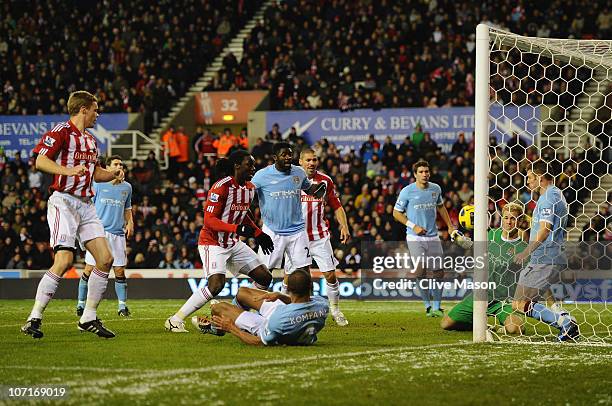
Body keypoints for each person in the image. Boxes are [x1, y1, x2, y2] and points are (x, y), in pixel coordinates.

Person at [21, 91, 123, 339]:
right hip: (63, 202)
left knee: (106, 260)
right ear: (83, 109)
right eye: (95, 110)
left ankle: (88, 317)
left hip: (87, 205)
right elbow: (41, 161)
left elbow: (94, 172)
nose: (98, 115)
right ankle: (34, 318)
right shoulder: (61, 131)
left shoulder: (91, 141)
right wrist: (67, 170)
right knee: (64, 261)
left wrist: (112, 175)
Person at [164, 151, 275, 333]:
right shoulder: (221, 187)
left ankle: (232, 315)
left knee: (265, 277)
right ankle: (175, 320)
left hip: (233, 243)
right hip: (212, 242)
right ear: (237, 166)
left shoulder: (249, 189)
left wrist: (258, 233)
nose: (253, 168)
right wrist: (236, 229)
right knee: (216, 285)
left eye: (254, 165)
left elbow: (242, 214)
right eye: (250, 165)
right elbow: (209, 220)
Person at [511, 160, 579, 341]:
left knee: (519, 303)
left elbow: (545, 229)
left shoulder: (548, 197)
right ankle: (563, 317)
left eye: (530, 178)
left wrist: (526, 251)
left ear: (540, 177)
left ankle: (565, 324)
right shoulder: (557, 194)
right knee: (533, 298)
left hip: (544, 257)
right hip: (551, 256)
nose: (527, 182)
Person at [251, 142, 327, 292]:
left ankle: (301, 309)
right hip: (272, 232)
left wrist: (318, 190)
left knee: (304, 272)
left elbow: (308, 188)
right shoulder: (261, 175)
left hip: (297, 231)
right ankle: (253, 307)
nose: (287, 158)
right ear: (274, 157)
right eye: (283, 155)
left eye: (289, 154)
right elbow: (248, 193)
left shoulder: (299, 172)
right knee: (264, 275)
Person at [441, 203, 525, 334]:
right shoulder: (490, 235)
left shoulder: (523, 248)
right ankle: (483, 326)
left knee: (516, 328)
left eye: (513, 218)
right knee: (446, 324)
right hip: (481, 295)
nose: (509, 222)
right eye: (506, 218)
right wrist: (456, 237)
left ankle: (501, 326)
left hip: (503, 300)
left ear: (520, 221)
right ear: (502, 218)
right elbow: (472, 246)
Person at [195, 270, 329, 346]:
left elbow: (259, 342)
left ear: (289, 289)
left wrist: (231, 327)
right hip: (288, 314)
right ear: (311, 287)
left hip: (271, 324)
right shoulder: (322, 304)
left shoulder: (278, 320)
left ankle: (218, 328)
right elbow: (303, 301)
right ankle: (236, 315)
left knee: (218, 308)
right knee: (243, 292)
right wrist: (280, 296)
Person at [393, 160, 456, 317]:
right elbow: (396, 213)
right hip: (414, 237)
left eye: (426, 171)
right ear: (415, 174)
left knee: (438, 272)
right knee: (420, 270)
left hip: (433, 236)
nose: (424, 174)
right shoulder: (407, 191)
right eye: (421, 172)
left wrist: (449, 226)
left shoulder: (435, 189)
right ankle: (427, 304)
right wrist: (413, 226)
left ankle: (436, 306)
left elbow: (441, 207)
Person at [77, 155, 134, 317]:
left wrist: (130, 223)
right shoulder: (98, 185)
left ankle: (122, 307)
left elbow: (127, 207)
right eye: (116, 164)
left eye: (121, 164)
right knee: (89, 269)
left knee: (120, 272)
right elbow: (86, 204)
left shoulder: (127, 187)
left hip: (117, 235)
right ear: (107, 168)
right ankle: (81, 304)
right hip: (99, 234)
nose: (119, 167)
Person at [299, 148, 350, 326]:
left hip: (319, 236)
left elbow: (336, 205)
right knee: (298, 278)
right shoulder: (292, 180)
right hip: (297, 237)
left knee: (329, 274)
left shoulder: (325, 180)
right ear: (300, 162)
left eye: (314, 160)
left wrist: (344, 225)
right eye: (308, 160)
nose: (312, 163)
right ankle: (300, 311)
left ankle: (335, 310)